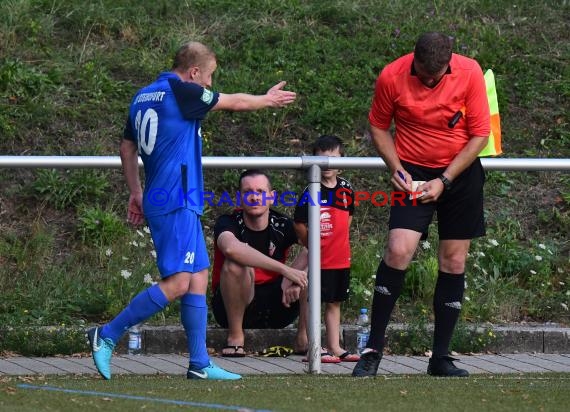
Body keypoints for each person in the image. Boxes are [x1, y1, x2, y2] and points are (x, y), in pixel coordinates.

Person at [87, 41, 305, 381]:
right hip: (174, 200)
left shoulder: (144, 94)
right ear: (194, 72)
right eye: (209, 76)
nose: (210, 84)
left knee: (198, 280)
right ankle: (108, 334)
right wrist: (267, 100)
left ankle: (199, 364)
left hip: (168, 197)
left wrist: (135, 191)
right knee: (177, 283)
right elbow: (232, 102)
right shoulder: (182, 91)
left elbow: (127, 146)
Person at [352, 32, 490, 378]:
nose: (430, 81)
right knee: (399, 250)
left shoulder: (470, 72)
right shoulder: (392, 75)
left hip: (458, 173)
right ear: (413, 59)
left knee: (454, 259)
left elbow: (480, 134)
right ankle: (372, 351)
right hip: (411, 172)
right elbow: (378, 126)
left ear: (450, 62)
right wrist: (396, 167)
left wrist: (444, 180)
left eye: (437, 75)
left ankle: (440, 357)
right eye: (424, 74)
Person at [211, 169, 309, 356]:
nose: (255, 198)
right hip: (235, 305)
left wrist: (296, 277)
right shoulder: (228, 222)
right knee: (235, 264)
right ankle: (236, 337)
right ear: (240, 198)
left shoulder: (282, 224)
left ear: (271, 197)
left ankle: (304, 338)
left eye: (261, 192)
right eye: (248, 192)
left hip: (279, 303)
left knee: (309, 271)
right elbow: (231, 248)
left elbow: (316, 246)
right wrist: (285, 270)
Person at [293, 135, 359, 363]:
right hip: (319, 259)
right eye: (321, 159)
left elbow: (348, 218)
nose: (326, 165)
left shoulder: (347, 189)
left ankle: (335, 346)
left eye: (332, 159)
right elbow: (299, 222)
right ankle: (315, 347)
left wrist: (338, 241)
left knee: (334, 302)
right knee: (314, 301)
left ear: (342, 161)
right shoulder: (311, 190)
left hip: (340, 258)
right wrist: (310, 243)